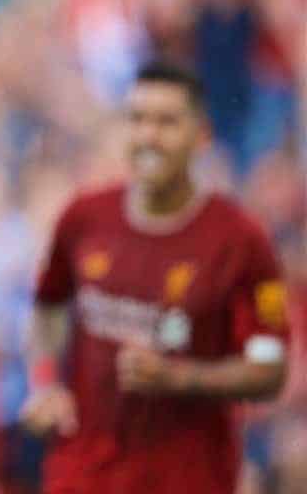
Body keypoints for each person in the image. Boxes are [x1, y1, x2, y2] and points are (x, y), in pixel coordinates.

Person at [20, 60, 291, 493]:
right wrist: (45, 382)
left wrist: (181, 378)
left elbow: (270, 366)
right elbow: (48, 307)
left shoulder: (241, 241)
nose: (149, 135)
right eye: (138, 120)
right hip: (85, 476)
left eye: (166, 122)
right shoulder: (83, 219)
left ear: (200, 136)